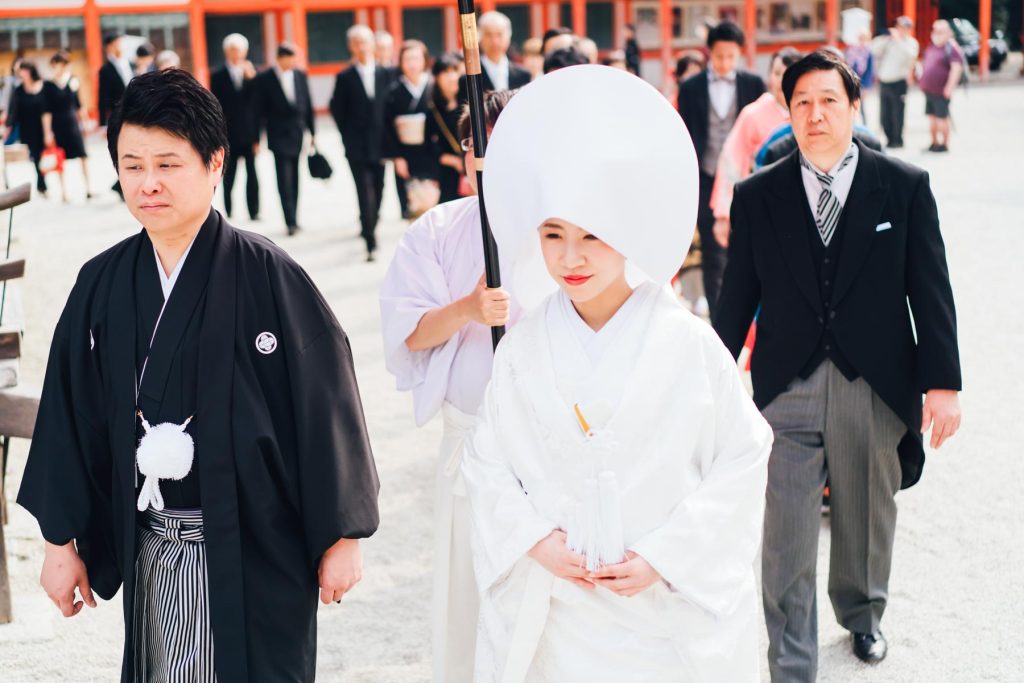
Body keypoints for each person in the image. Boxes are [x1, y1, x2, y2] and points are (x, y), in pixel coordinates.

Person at [17, 68, 379, 683]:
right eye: (132, 165)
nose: (148, 183)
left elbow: (327, 404)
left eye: (168, 163)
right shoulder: (101, 284)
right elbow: (68, 415)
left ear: (215, 163)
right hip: (153, 541)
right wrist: (60, 544)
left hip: (257, 542)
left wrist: (344, 536)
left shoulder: (269, 274)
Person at [462, 65, 773, 681]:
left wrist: (666, 556)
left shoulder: (686, 342)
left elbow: (744, 454)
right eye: (553, 235)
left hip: (661, 603)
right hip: (558, 601)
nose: (570, 258)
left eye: (592, 236)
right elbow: (486, 461)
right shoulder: (523, 348)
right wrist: (534, 541)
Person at [714, 50, 962, 679]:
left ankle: (862, 614)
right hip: (784, 386)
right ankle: (791, 658)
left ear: (855, 106)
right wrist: (710, 384)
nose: (816, 114)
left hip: (875, 381)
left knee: (865, 515)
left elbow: (930, 290)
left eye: (829, 100)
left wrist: (942, 385)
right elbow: (735, 298)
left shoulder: (903, 186)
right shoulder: (758, 194)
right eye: (802, 103)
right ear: (787, 111)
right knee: (786, 534)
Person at [380, 87, 517, 683]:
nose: (486, 157)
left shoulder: (566, 234)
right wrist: (466, 307)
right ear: (464, 152)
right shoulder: (436, 229)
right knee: (469, 583)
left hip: (548, 440)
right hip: (472, 435)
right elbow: (409, 333)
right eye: (476, 144)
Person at [677, 20, 765, 313]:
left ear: (739, 54)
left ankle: (748, 314)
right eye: (719, 57)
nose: (725, 63)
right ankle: (719, 320)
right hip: (705, 177)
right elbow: (686, 133)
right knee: (712, 254)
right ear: (709, 53)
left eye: (731, 56)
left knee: (748, 247)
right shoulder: (690, 88)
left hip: (744, 180)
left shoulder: (753, 84)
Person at [709, 48, 801, 242]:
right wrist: (724, 215)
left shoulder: (808, 113)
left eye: (789, 74)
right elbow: (731, 161)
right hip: (761, 206)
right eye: (777, 73)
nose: (782, 81)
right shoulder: (753, 115)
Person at [330, 25, 389, 260]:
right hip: (357, 145)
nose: (361, 47)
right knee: (364, 191)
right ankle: (370, 240)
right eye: (356, 43)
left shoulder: (387, 73)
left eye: (365, 42)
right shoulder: (345, 77)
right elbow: (338, 110)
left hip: (382, 144)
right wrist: (347, 135)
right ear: (351, 47)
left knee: (380, 188)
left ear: (373, 44)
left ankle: (370, 222)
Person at [254, 42, 315, 236]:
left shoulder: (300, 75)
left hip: (297, 134)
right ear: (280, 58)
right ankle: (289, 220)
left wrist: (312, 133)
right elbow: (258, 111)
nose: (293, 62)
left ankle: (295, 217)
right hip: (278, 135)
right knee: (284, 178)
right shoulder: (265, 78)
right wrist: (257, 138)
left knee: (296, 177)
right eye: (290, 58)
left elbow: (308, 105)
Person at [211, 33, 261, 221]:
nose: (236, 53)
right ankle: (229, 210)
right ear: (226, 51)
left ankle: (254, 210)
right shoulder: (218, 75)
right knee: (229, 175)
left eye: (239, 50)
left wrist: (253, 80)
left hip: (249, 134)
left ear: (245, 51)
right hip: (228, 135)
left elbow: (257, 108)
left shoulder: (252, 73)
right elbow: (216, 108)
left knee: (252, 174)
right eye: (232, 49)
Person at [385, 40, 435, 221]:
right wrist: (397, 157)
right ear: (401, 62)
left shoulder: (434, 86)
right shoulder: (393, 91)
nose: (412, 64)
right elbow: (388, 127)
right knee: (411, 205)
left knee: (434, 204)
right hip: (405, 153)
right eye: (407, 59)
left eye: (416, 58)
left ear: (425, 60)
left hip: (431, 151)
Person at [44, 51, 94, 201]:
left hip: (73, 122)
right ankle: (64, 191)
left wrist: (85, 122)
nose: (59, 68)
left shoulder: (72, 80)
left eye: (62, 65)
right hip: (58, 124)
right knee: (61, 158)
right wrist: (48, 132)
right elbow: (46, 110)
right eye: (56, 65)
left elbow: (79, 104)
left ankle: (88, 188)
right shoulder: (48, 85)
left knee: (83, 155)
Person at [459, 12, 531, 102]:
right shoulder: (468, 79)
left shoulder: (523, 75)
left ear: (509, 37)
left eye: (499, 34)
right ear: (480, 37)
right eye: (489, 35)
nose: (494, 41)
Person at [4, 61, 51, 197]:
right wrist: (8, 127)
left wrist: (49, 131)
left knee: (44, 155)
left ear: (30, 71)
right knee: (36, 156)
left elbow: (47, 109)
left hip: (42, 126)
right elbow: (14, 111)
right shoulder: (18, 90)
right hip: (28, 128)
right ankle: (42, 184)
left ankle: (42, 183)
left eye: (24, 70)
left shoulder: (43, 86)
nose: (21, 74)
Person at [872, 16, 919, 149]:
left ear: (909, 29)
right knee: (884, 113)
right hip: (884, 82)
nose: (900, 30)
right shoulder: (889, 41)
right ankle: (889, 138)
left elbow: (910, 56)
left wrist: (899, 41)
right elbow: (874, 49)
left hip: (899, 82)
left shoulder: (911, 43)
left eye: (904, 28)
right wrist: (886, 38)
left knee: (897, 112)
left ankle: (897, 139)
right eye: (898, 27)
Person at [918, 20, 965, 153]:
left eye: (940, 31)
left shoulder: (952, 48)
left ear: (948, 33)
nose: (936, 34)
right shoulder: (932, 46)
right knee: (932, 118)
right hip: (929, 89)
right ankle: (934, 143)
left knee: (941, 118)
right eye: (934, 31)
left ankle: (944, 144)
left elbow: (956, 69)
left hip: (941, 90)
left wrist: (949, 88)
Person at [425, 52, 466, 204]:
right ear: (436, 77)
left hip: (472, 170)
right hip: (448, 173)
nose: (451, 77)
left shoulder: (469, 103)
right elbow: (428, 144)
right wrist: (452, 161)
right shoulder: (433, 109)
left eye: (455, 71)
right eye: (446, 72)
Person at [98, 33, 131, 127]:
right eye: (117, 43)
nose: (120, 46)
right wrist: (103, 123)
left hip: (135, 112)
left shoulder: (129, 63)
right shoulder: (105, 70)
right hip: (118, 115)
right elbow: (103, 97)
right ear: (109, 46)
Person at [845, 29, 874, 125]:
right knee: (849, 104)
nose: (862, 40)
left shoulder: (869, 52)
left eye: (864, 38)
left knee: (861, 106)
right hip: (851, 81)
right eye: (860, 38)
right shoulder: (851, 51)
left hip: (862, 83)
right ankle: (851, 124)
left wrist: (867, 87)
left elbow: (870, 71)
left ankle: (864, 126)